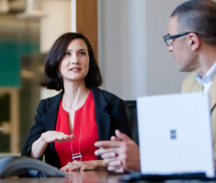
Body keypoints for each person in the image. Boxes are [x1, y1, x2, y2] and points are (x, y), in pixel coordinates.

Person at [95, 0, 216, 173]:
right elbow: (187, 152)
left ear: (192, 41)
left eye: (170, 39)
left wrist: (147, 163)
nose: (169, 48)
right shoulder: (189, 84)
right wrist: (128, 158)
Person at [21, 32, 132, 171]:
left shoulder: (111, 103)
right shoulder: (45, 107)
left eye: (81, 53)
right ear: (56, 62)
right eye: (67, 54)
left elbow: (128, 158)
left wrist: (95, 164)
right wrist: (43, 139)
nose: (75, 60)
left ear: (89, 61)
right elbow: (27, 159)